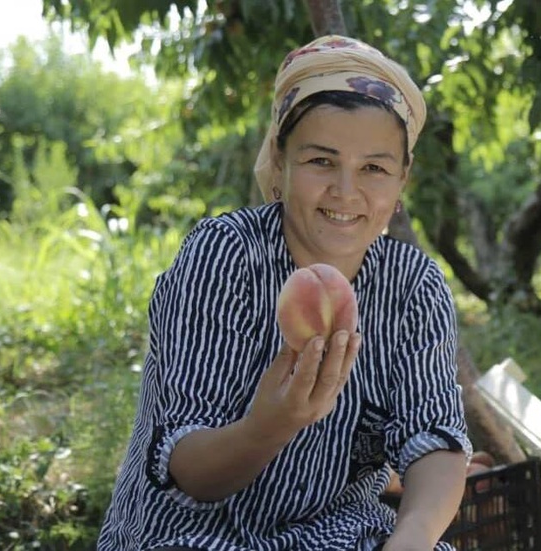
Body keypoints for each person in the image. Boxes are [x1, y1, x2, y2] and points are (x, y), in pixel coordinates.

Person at [97, 34, 472, 551]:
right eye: (321, 161)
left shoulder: (413, 285)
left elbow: (436, 439)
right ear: (280, 159)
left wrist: (412, 537)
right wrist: (269, 427)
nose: (346, 191)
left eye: (374, 168)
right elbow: (189, 471)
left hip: (338, 535)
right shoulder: (224, 255)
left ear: (402, 178)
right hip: (190, 535)